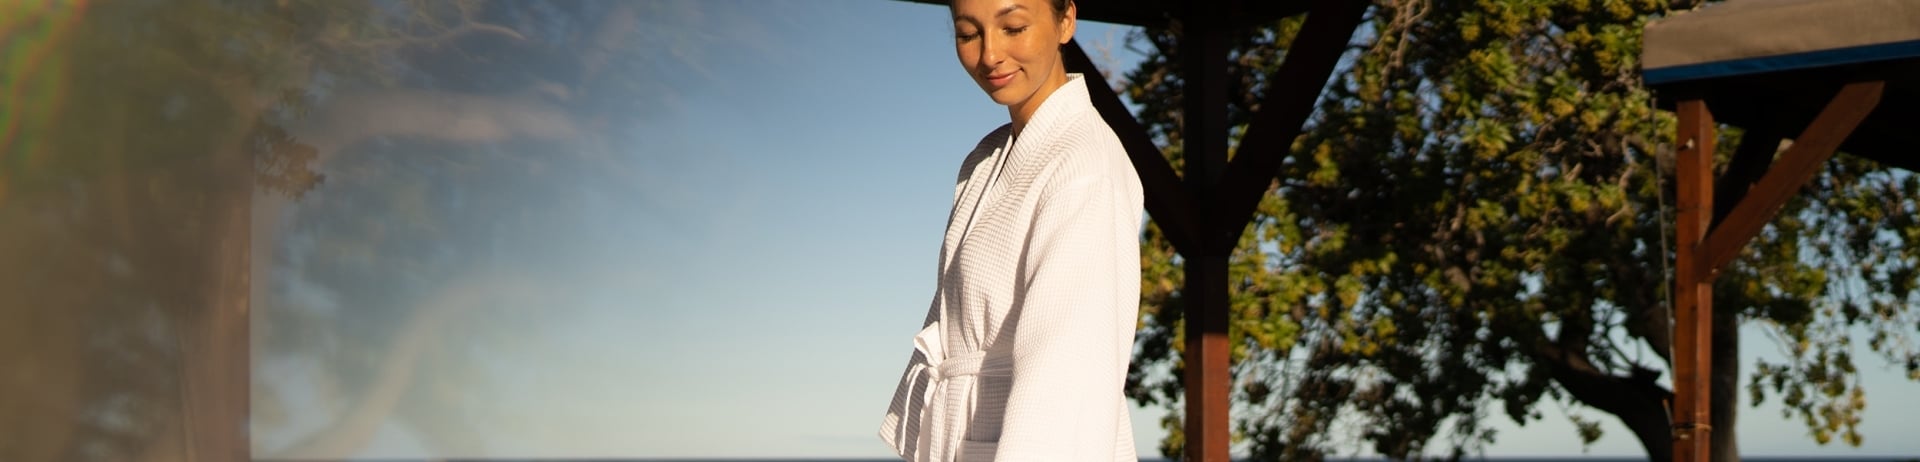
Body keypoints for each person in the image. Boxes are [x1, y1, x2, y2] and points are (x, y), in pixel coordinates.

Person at [877, 0, 1144, 460]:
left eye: (1014, 27)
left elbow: (1068, 367)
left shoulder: (1084, 165)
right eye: (968, 34)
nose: (990, 54)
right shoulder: (984, 159)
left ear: (1066, 21)